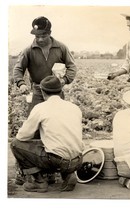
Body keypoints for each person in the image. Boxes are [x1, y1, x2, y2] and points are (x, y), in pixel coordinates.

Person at [12, 15, 77, 185]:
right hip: (37, 91)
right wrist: (20, 84)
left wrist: (64, 80)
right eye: (36, 36)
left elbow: (72, 67)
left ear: (50, 33)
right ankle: (35, 172)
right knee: (33, 129)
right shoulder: (28, 50)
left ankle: (55, 169)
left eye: (43, 35)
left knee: (57, 125)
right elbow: (18, 69)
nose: (39, 39)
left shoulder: (61, 47)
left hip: (56, 90)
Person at [10, 75, 84, 193]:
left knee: (15, 144)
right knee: (61, 145)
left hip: (56, 161)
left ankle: (38, 181)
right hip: (78, 160)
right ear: (60, 91)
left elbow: (22, 136)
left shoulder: (40, 107)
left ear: (43, 93)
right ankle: (68, 174)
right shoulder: (74, 107)